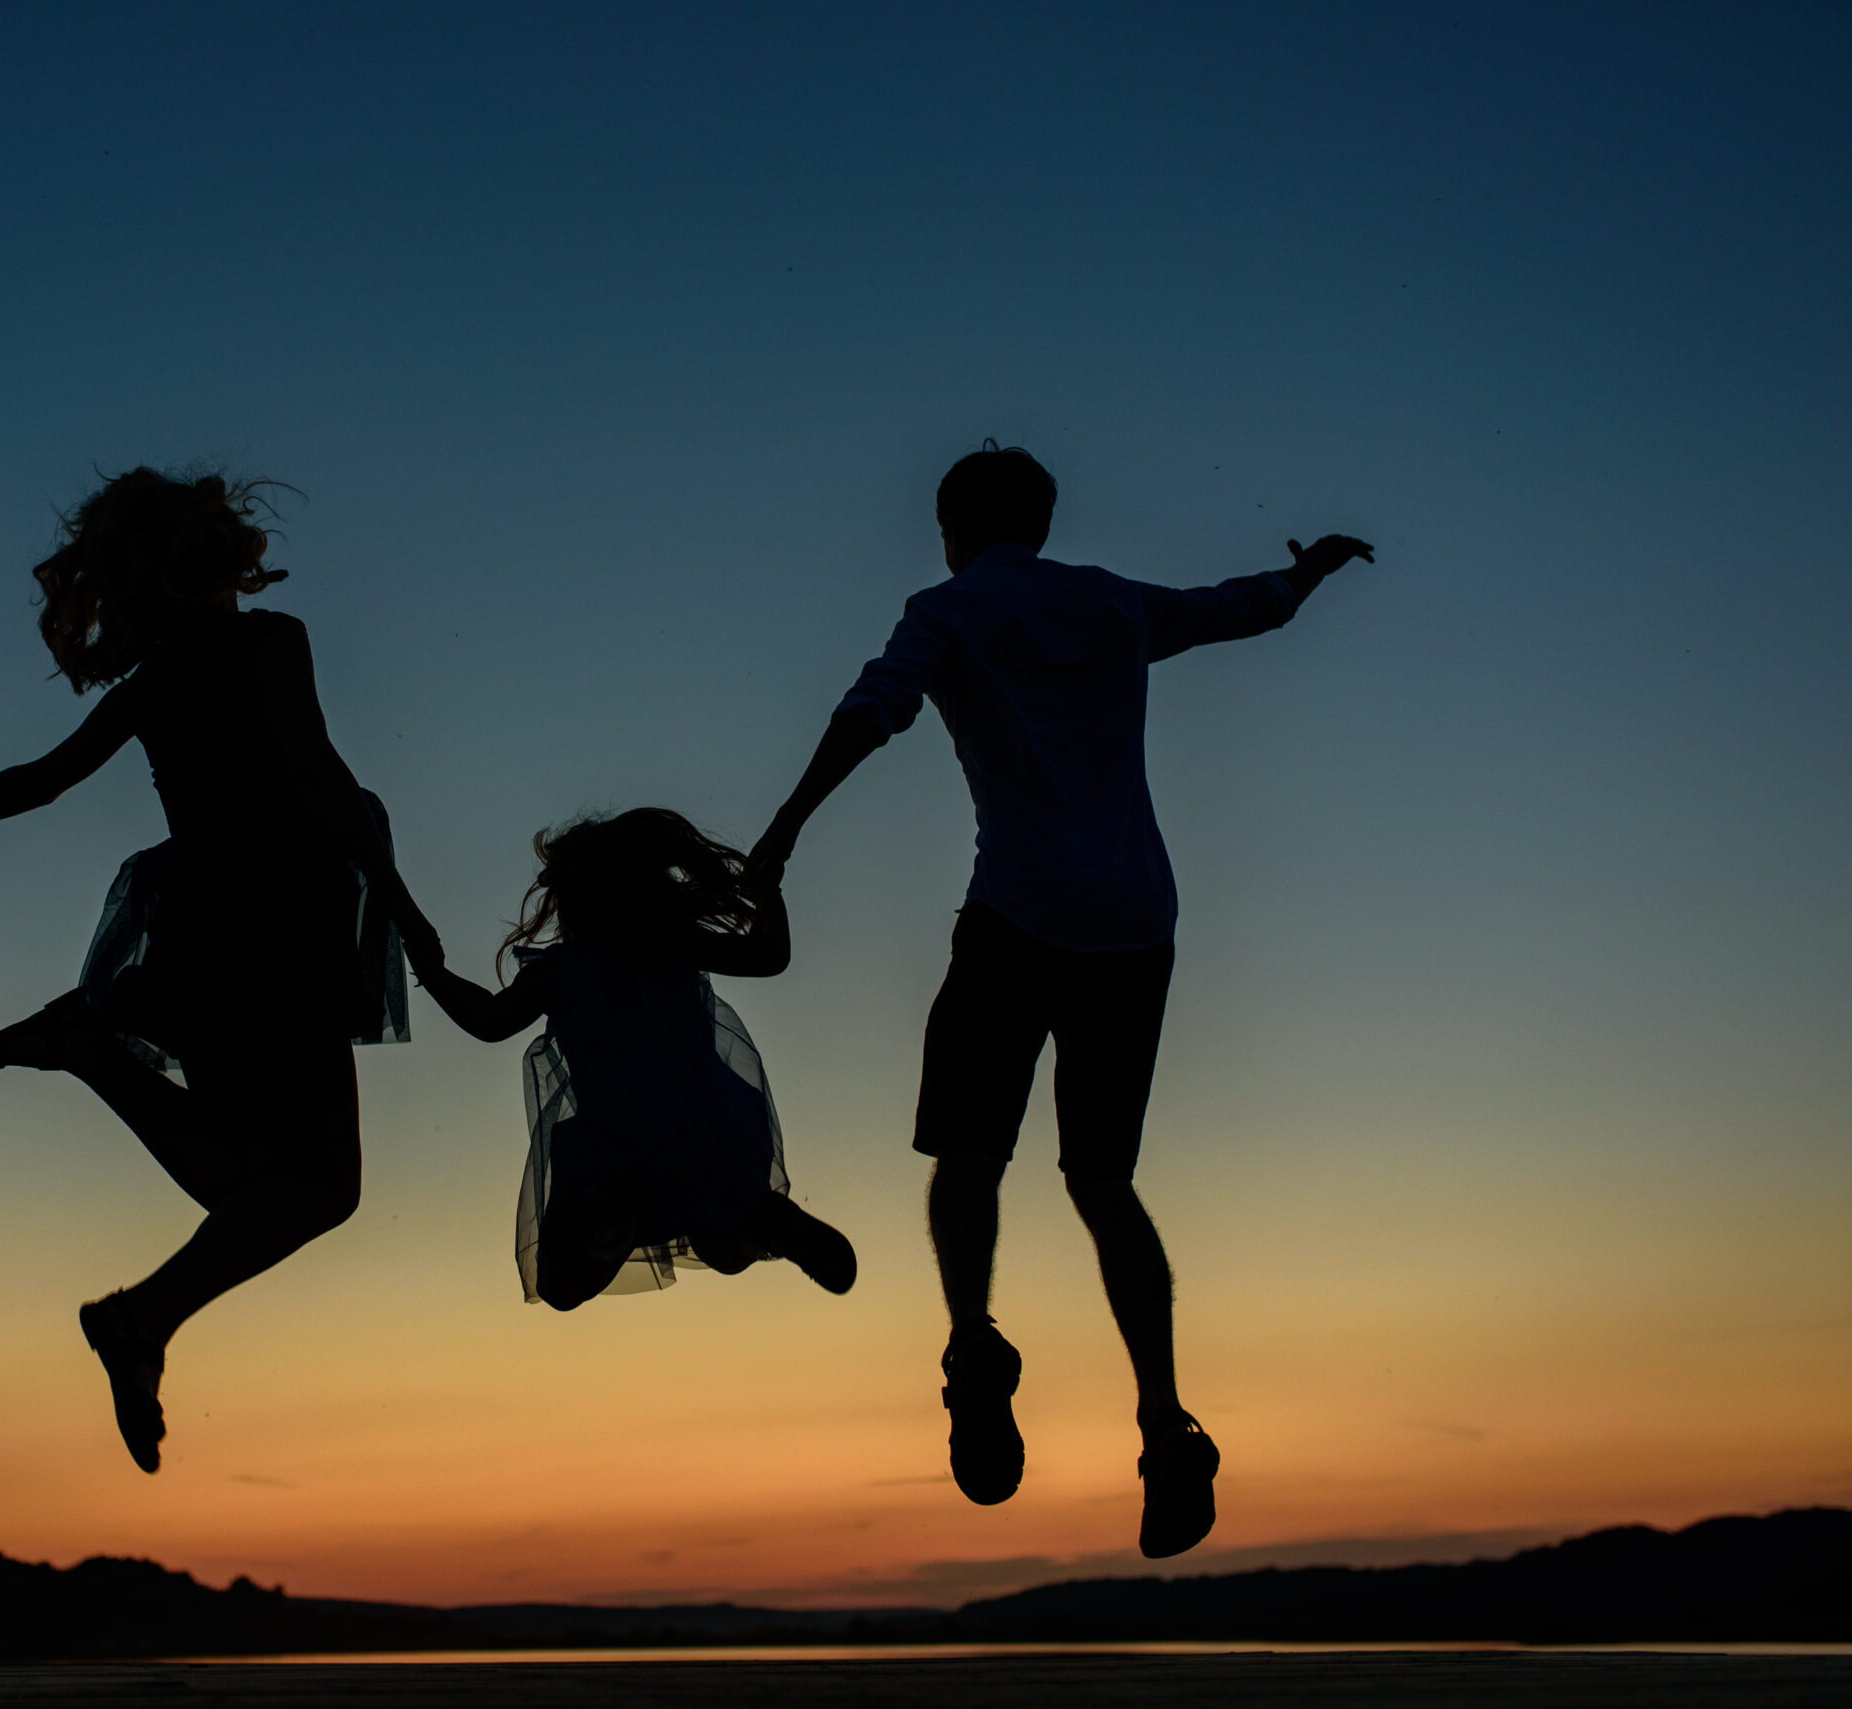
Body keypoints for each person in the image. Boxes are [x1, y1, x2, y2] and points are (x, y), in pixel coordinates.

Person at [747, 442, 1374, 1558]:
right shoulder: (1111, 603)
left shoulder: (946, 609)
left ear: (951, 529)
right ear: (1040, 521)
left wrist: (784, 829)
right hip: (1135, 922)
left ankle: (973, 1345)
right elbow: (1237, 608)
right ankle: (1164, 1420)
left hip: (1017, 914)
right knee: (1102, 1180)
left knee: (967, 1155)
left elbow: (873, 709)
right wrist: (1307, 572)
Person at [0, 466, 439, 1476]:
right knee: (315, 1188)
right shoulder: (269, 643)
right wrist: (397, 901)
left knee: (254, 1184)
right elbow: (316, 772)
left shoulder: (151, 686)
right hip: (282, 921)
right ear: (211, 558)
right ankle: (136, 1298)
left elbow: (44, 781)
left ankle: (133, 1275)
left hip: (200, 929)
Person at [408, 809, 857, 1310]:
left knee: (558, 1285)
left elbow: (490, 1021)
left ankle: (615, 1218)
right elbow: (770, 956)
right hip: (706, 1127)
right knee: (728, 1246)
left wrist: (432, 969)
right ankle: (767, 1220)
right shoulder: (672, 943)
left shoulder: (561, 970)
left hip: (615, 1145)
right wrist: (769, 887)